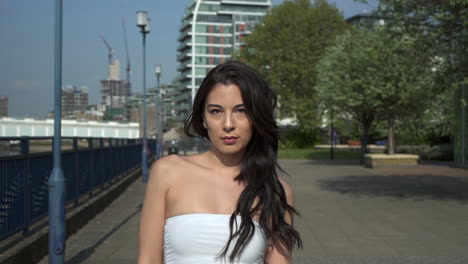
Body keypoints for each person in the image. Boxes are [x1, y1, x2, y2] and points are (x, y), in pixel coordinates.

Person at [138, 61, 302, 264]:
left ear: (256, 117)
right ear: (203, 118)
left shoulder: (275, 191)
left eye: (241, 111)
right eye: (216, 111)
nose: (228, 124)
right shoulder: (167, 172)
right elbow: (148, 259)